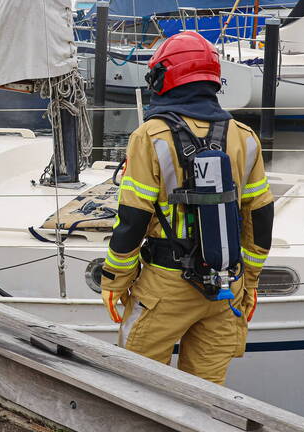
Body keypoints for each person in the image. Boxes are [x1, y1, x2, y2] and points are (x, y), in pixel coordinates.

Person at [100, 31, 274, 385]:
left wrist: (115, 280)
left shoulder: (150, 136)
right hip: (227, 287)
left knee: (138, 384)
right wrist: (250, 282)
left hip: (167, 285)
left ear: (165, 79)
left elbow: (133, 219)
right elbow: (260, 216)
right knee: (207, 395)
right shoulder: (244, 136)